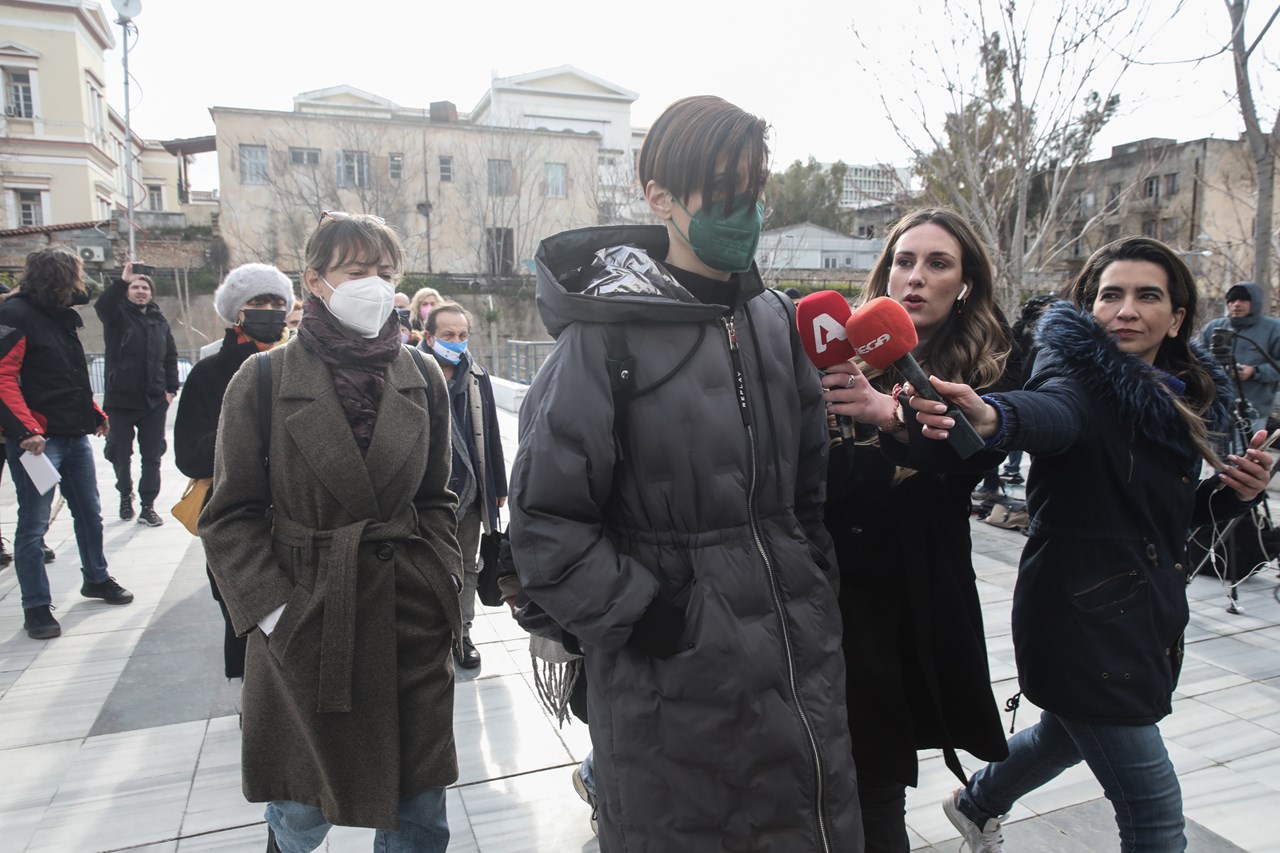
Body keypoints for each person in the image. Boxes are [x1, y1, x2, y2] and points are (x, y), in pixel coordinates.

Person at [509, 95, 860, 852]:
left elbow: (807, 487)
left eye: (757, 190)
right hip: (672, 677)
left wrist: (810, 570)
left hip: (796, 653)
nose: (749, 210)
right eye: (727, 193)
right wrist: (657, 617)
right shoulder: (601, 341)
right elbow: (544, 527)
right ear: (659, 195)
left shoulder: (774, 321)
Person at [906, 236, 1270, 853]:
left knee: (1064, 736)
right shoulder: (1074, 377)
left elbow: (1169, 521)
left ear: (1177, 317)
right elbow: (1053, 413)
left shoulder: (1174, 396)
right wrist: (993, 417)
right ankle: (978, 802)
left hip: (1143, 616)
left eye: (1146, 296)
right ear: (1090, 307)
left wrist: (1233, 494)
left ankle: (977, 802)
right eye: (1110, 295)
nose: (1125, 310)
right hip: (1083, 623)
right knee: (1155, 818)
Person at [199, 212, 463, 853]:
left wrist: (443, 582)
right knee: (299, 813)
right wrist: (275, 613)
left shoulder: (422, 374)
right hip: (307, 613)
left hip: (407, 613)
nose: (373, 284)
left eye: (385, 272)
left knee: (421, 814)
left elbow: (437, 497)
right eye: (356, 272)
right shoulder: (262, 379)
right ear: (316, 281)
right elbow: (228, 515)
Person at [818, 208, 1013, 852]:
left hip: (907, 607)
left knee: (876, 785)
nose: (916, 277)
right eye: (904, 261)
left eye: (938, 264)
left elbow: (968, 453)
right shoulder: (838, 355)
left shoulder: (982, 367)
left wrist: (890, 415)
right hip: (824, 598)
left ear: (965, 285)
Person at [0, 248, 134, 640]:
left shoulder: (58, 316)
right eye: (76, 275)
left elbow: (69, 375)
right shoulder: (16, 314)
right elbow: (3, 377)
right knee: (33, 526)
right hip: (37, 441)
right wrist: (26, 430)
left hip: (72, 435)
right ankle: (36, 606)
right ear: (60, 277)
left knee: (90, 513)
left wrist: (93, 412)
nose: (81, 283)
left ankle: (96, 578)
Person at [175, 263, 294, 681]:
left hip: (297, 513)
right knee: (243, 610)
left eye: (277, 302)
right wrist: (248, 439)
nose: (270, 310)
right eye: (258, 302)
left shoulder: (300, 365)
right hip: (237, 515)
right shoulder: (209, 373)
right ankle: (252, 697)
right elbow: (188, 455)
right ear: (236, 311)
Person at [419, 300, 506, 669]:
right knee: (429, 567)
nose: (456, 342)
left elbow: (492, 434)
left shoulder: (477, 376)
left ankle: (463, 633)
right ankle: (429, 635)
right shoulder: (409, 372)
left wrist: (498, 485)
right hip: (425, 496)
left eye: (463, 335)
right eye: (448, 335)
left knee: (468, 565)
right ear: (429, 337)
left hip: (470, 491)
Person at [95, 263, 179, 526]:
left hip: (153, 400)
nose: (140, 291)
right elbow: (102, 306)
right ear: (127, 291)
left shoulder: (159, 321)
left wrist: (171, 390)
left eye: (144, 287)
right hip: (121, 399)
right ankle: (124, 493)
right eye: (135, 287)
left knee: (152, 455)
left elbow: (170, 356)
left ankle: (148, 505)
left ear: (151, 293)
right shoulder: (116, 316)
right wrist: (122, 280)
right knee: (121, 453)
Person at [1199, 281, 1280, 439]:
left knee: (1246, 455)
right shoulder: (1214, 328)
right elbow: (1194, 359)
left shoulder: (1273, 329)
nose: (1236, 305)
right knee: (1217, 457)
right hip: (1217, 408)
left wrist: (1255, 372)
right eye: (1232, 300)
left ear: (1254, 303)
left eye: (1243, 300)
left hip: (1253, 408)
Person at [998, 295, 1057, 485]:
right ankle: (1012, 469)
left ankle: (1014, 469)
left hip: (1039, 389)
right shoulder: (1021, 328)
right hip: (1018, 386)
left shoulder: (1054, 333)